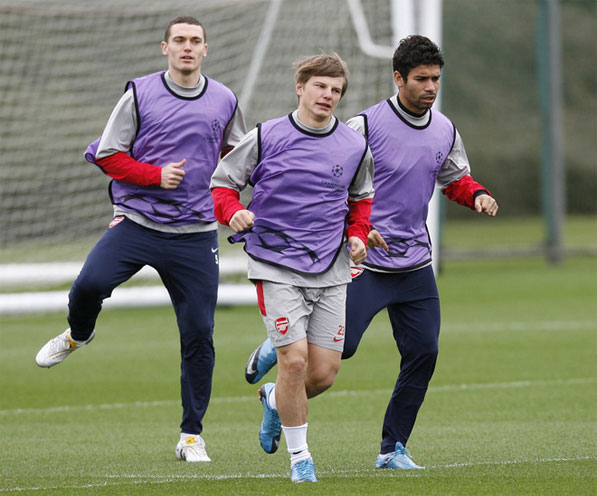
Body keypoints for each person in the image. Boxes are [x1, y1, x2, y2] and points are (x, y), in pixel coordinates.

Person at [243, 35, 499, 469]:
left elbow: (454, 177)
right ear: (399, 78)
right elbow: (332, 185)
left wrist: (476, 194)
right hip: (365, 262)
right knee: (336, 355)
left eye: (436, 79)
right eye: (421, 79)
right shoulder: (364, 126)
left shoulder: (445, 129)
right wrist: (359, 230)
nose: (431, 87)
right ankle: (279, 348)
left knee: (424, 353)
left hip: (415, 263)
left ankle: (391, 448)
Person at [35, 16, 246, 463]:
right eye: (179, 40)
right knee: (89, 285)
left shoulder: (225, 98)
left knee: (199, 335)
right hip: (138, 222)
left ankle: (191, 437)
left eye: (195, 41)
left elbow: (239, 155)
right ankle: (78, 334)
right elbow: (107, 154)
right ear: (164, 47)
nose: (187, 47)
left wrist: (250, 198)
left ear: (205, 49)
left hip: (195, 234)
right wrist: (155, 176)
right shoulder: (139, 93)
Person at [210, 53, 374, 482]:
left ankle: (272, 401)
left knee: (322, 375)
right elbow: (222, 184)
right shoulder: (266, 136)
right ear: (300, 88)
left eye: (336, 90)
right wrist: (232, 212)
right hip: (275, 263)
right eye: (320, 86)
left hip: (331, 267)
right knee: (295, 363)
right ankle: (301, 459)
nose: (328, 95)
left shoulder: (354, 145)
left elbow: (361, 200)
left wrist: (358, 235)